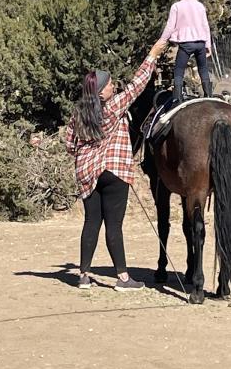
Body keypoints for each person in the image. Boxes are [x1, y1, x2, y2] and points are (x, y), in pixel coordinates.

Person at [66, 41, 166, 292]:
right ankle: (123, 278)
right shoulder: (112, 107)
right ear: (101, 92)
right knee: (114, 225)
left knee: (91, 222)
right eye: (110, 84)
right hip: (114, 171)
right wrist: (152, 55)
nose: (114, 86)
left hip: (87, 173)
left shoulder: (78, 114)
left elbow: (70, 145)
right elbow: (137, 86)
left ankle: (84, 276)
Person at [157, 0, 213, 101]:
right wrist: (208, 45)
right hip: (200, 43)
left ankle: (177, 97)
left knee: (179, 70)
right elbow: (206, 26)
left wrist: (161, 41)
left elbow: (170, 27)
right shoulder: (200, 6)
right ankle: (209, 94)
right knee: (203, 69)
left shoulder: (177, 6)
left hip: (186, 44)